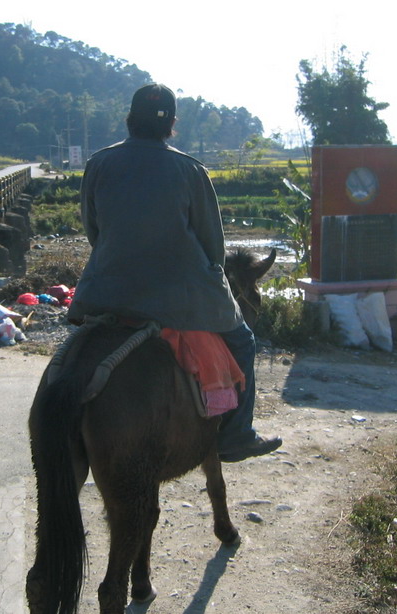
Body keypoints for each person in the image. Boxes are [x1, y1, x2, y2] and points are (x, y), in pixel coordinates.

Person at [66, 83, 281, 462]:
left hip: (106, 293)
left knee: (75, 352)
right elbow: (214, 249)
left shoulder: (98, 163)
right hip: (181, 300)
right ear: (172, 125)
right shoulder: (190, 169)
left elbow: (93, 231)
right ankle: (236, 435)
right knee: (243, 342)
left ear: (130, 120)